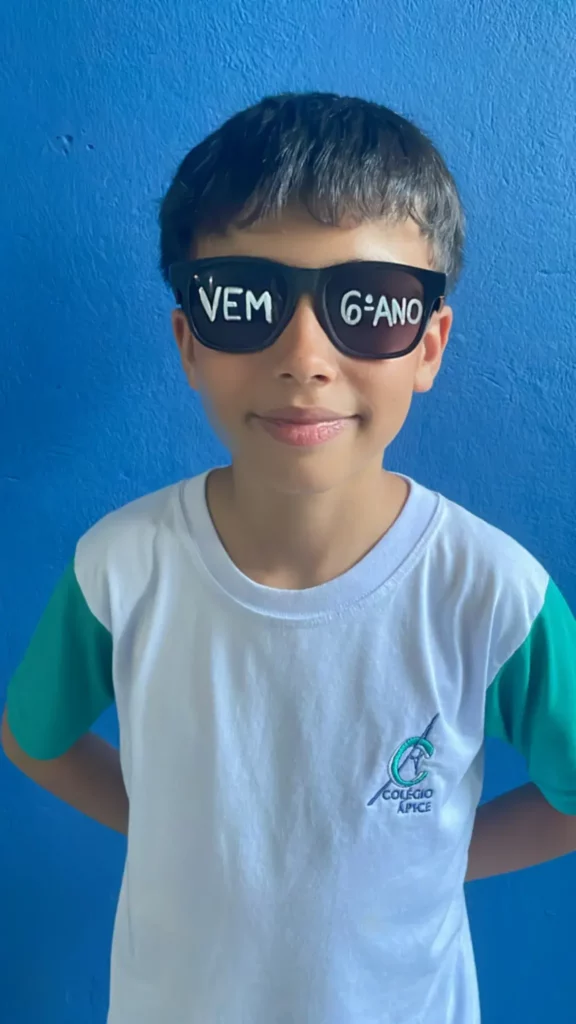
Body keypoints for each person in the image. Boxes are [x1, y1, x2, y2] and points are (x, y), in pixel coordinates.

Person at [2, 92, 576, 1024]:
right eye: (244, 300)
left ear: (428, 345)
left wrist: (434, 857)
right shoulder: (121, 571)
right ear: (189, 342)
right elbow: (35, 737)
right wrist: (171, 838)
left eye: (369, 305)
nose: (305, 356)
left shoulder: (494, 595)